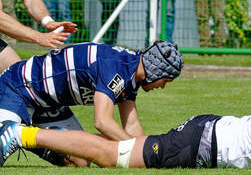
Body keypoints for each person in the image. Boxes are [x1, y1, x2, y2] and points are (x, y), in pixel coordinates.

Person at [3, 72, 251, 169]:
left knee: (111, 156)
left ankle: (34, 139)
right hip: (204, 145)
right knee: (113, 157)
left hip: (212, 132)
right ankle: (21, 135)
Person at [0, 40, 183, 166]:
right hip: (18, 88)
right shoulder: (118, 69)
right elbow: (102, 122)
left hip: (49, 104)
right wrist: (134, 150)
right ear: (157, 70)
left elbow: (132, 126)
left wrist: (149, 156)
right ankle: (16, 131)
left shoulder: (131, 73)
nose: (163, 87)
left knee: (79, 161)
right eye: (166, 81)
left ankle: (23, 136)